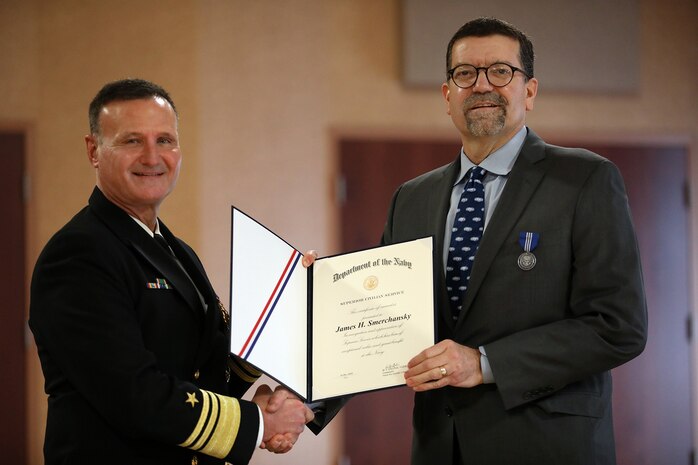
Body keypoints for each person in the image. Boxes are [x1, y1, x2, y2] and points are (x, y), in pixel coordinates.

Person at [385, 17, 647, 464]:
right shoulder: (411, 198)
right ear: (447, 95)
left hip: (547, 446)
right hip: (439, 448)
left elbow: (618, 326)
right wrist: (326, 295)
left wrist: (484, 362)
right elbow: (384, 318)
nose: (482, 85)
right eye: (465, 73)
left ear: (529, 91)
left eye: (501, 71)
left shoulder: (585, 180)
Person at [29, 78, 315, 465]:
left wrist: (285, 307)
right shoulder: (79, 253)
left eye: (165, 140)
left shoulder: (177, 251)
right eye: (132, 141)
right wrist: (258, 422)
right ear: (94, 150)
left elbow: (206, 373)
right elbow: (135, 394)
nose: (152, 156)